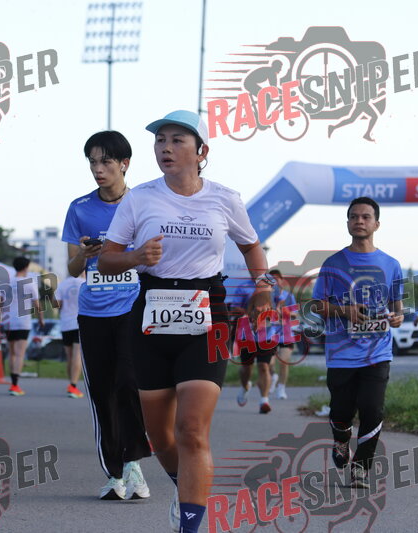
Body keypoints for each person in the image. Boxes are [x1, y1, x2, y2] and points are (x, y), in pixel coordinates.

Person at [98, 110, 272, 533]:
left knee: (192, 428)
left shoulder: (225, 198)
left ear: (201, 151)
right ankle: (185, 484)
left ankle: (190, 524)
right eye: (160, 140)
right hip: (152, 313)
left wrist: (263, 286)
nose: (166, 148)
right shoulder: (139, 198)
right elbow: (106, 260)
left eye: (177, 140)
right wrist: (137, 257)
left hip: (207, 312)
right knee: (161, 437)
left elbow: (251, 247)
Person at [61, 130, 151, 502]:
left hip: (133, 308)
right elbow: (71, 269)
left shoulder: (143, 203)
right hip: (92, 311)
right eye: (93, 162)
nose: (98, 169)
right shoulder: (79, 208)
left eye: (106, 162)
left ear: (124, 164)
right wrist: (85, 255)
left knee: (129, 383)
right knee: (102, 393)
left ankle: (134, 463)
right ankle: (114, 474)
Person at [311, 197, 403, 489]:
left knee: (372, 410)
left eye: (365, 217)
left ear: (377, 224)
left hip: (378, 353)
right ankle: (341, 440)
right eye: (354, 217)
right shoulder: (333, 264)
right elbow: (316, 305)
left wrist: (398, 317)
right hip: (341, 354)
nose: (359, 221)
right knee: (341, 412)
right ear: (348, 222)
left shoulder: (391, 264)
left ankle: (361, 468)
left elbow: (397, 306)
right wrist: (344, 311)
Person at [227, 278, 277, 414]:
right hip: (247, 333)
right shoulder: (243, 287)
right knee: (246, 367)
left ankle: (264, 400)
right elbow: (234, 308)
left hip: (267, 334)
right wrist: (252, 313)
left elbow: (280, 307)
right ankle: (245, 387)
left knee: (264, 366)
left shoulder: (274, 287)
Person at [1, 256, 44, 397]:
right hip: (23, 322)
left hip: (8, 322)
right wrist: (41, 319)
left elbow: (0, 303)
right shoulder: (30, 283)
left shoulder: (6, 283)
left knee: (12, 353)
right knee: (20, 354)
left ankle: (12, 383)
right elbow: (37, 304)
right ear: (26, 267)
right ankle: (15, 385)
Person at [54, 271, 86, 399]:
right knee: (77, 355)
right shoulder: (85, 283)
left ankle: (71, 384)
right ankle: (73, 385)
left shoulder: (62, 284)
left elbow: (56, 304)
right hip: (80, 322)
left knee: (69, 356)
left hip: (65, 323)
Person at [268, 269, 296, 399]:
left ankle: (281, 388)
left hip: (286, 333)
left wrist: (284, 312)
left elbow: (295, 314)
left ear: (281, 280)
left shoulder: (288, 296)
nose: (274, 281)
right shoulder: (266, 296)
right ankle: (273, 376)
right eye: (271, 279)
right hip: (270, 333)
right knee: (269, 363)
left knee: (284, 362)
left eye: (276, 278)